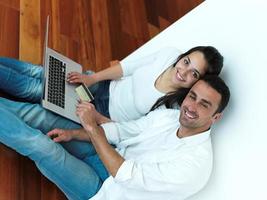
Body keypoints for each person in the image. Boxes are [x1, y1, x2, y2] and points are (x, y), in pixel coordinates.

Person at [3, 75, 230, 200]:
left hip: (104, 192)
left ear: (216, 116)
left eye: (204, 104)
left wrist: (92, 129)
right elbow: (123, 131)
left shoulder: (196, 165)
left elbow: (125, 175)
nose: (191, 107)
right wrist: (74, 133)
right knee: (45, 118)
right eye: (192, 96)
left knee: (42, 146)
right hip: (107, 155)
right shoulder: (170, 117)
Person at [0, 46, 223, 122]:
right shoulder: (169, 55)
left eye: (193, 73)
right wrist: (91, 78)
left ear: (198, 82)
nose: (183, 71)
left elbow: (130, 131)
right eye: (186, 61)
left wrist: (97, 120)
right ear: (181, 56)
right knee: (39, 72)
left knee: (36, 89)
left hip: (98, 111)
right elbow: (127, 67)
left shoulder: (173, 109)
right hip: (102, 86)